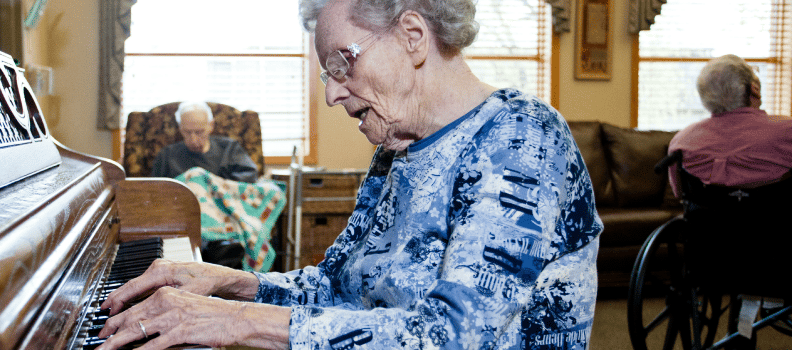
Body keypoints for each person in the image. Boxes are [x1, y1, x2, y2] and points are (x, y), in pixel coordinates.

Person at [95, 0, 603, 349]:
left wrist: (233, 320)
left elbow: (454, 336)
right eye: (327, 74)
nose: (334, 94)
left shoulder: (522, 137)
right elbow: (338, 286)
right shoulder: (397, 149)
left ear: (413, 36)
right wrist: (228, 283)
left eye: (343, 64)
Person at [667, 54, 792, 197]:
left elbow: (679, 194)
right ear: (755, 89)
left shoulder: (681, 142)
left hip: (705, 218)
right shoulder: (788, 132)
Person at [151, 101, 259, 183]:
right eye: (187, 132)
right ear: (180, 127)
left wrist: (214, 184)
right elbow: (154, 188)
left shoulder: (229, 148)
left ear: (211, 126)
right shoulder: (167, 155)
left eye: (199, 132)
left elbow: (250, 175)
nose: (193, 139)